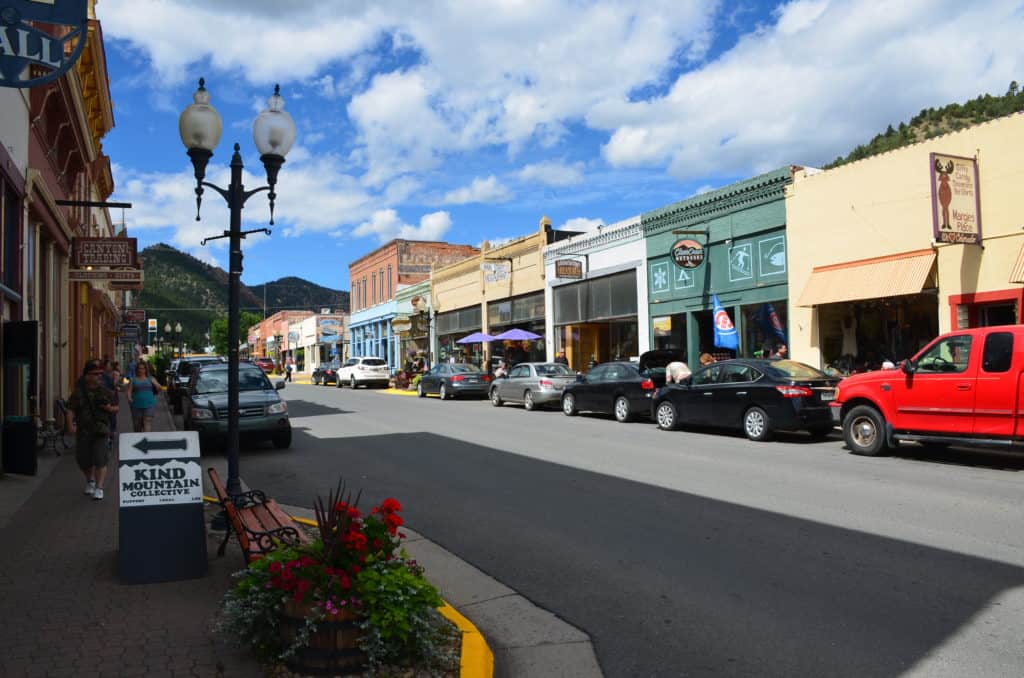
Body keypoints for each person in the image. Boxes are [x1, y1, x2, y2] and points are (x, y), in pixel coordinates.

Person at [66, 359, 119, 500]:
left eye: (100, 374)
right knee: (83, 460)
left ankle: (99, 488)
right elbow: (70, 409)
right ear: (87, 376)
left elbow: (116, 407)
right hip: (83, 430)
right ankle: (90, 480)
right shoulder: (78, 393)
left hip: (101, 430)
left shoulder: (105, 391)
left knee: (100, 459)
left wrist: (109, 408)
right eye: (95, 374)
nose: (98, 376)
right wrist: (70, 425)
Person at [127, 361, 162, 432]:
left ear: (146, 370)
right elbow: (129, 391)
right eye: (139, 368)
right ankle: (138, 439)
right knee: (137, 426)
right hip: (136, 404)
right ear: (137, 369)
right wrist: (129, 398)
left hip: (149, 404)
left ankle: (146, 439)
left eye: (143, 369)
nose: (141, 370)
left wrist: (158, 388)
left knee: (147, 423)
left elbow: (159, 387)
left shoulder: (151, 378)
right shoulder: (133, 379)